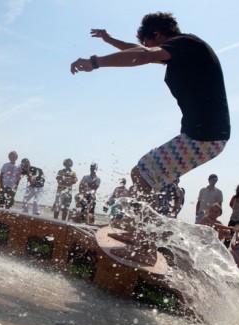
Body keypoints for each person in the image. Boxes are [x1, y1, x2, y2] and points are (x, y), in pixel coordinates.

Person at [71, 12, 230, 205]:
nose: (147, 47)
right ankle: (151, 229)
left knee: (141, 173)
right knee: (148, 178)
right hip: (205, 135)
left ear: (157, 33)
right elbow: (139, 50)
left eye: (148, 41)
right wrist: (110, 39)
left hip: (205, 136)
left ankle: (144, 230)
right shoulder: (183, 49)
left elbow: (143, 54)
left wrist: (95, 62)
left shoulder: (186, 43)